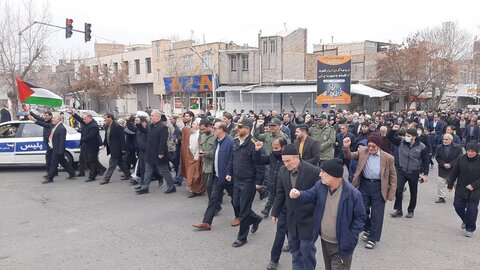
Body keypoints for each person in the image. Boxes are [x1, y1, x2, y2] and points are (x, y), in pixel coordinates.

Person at [290, 158, 365, 270]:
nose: (320, 175)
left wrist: (351, 237)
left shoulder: (353, 194)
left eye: (323, 172)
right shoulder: (320, 186)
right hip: (325, 241)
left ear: (333, 176)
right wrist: (298, 194)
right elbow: (310, 195)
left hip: (342, 244)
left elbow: (360, 218)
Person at [270, 144, 320, 270]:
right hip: (291, 217)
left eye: (288, 160)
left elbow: (319, 196)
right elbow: (280, 192)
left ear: (297, 158)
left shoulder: (313, 171)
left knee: (306, 250)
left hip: (308, 218)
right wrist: (275, 212)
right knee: (295, 250)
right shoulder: (282, 171)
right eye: (284, 161)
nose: (286, 164)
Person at [343, 133, 397, 249]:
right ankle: (367, 228)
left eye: (373, 146)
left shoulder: (388, 158)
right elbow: (350, 156)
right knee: (362, 210)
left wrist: (391, 193)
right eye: (369, 145)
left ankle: (373, 238)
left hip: (379, 187)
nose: (371, 148)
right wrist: (346, 147)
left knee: (377, 214)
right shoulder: (363, 151)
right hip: (364, 185)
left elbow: (393, 176)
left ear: (379, 146)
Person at [192, 121, 240, 230]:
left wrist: (230, 174)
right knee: (213, 199)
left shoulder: (230, 142)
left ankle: (239, 216)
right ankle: (207, 222)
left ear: (222, 130)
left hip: (228, 177)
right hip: (218, 176)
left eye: (215, 128)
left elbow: (233, 160)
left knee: (235, 199)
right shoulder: (217, 141)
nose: (213, 129)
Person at [226, 116, 263, 248]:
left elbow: (259, 165)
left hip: (249, 181)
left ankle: (242, 238)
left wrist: (259, 182)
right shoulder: (236, 141)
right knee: (236, 204)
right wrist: (229, 173)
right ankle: (256, 218)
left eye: (239, 127)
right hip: (237, 179)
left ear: (247, 129)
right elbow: (232, 158)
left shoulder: (254, 143)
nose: (236, 128)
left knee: (244, 210)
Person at [252, 137, 289, 270]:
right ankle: (274, 259)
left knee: (285, 227)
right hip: (275, 191)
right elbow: (259, 161)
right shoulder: (272, 156)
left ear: (284, 148)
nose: (274, 150)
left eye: (277, 148)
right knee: (281, 229)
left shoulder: (290, 160)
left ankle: (290, 244)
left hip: (288, 197)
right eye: (273, 148)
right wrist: (257, 151)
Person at [388, 126, 430, 218]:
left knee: (413, 192)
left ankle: (411, 210)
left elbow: (426, 160)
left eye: (408, 136)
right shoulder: (401, 142)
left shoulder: (422, 147)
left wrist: (425, 174)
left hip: (414, 172)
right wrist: (393, 130)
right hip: (401, 170)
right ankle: (398, 210)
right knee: (398, 190)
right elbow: (389, 138)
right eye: (406, 135)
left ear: (414, 137)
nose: (406, 137)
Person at [135, 110, 176, 194]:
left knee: (164, 171)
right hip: (149, 153)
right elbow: (144, 131)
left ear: (157, 116)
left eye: (152, 115)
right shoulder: (150, 125)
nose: (151, 117)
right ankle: (145, 188)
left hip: (159, 154)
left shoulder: (162, 127)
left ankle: (171, 187)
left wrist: (161, 153)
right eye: (150, 115)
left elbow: (163, 141)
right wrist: (138, 124)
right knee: (148, 171)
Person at [448, 142, 480, 238]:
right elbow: (455, 172)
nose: (470, 153)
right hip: (461, 187)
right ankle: (466, 220)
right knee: (457, 205)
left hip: (475, 190)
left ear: (477, 152)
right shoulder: (460, 158)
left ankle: (470, 228)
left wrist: (474, 185)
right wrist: (450, 184)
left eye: (472, 151)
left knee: (472, 209)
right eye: (468, 151)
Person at [71, 109, 104, 182]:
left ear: (89, 118)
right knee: (88, 161)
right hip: (86, 146)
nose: (83, 120)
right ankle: (95, 171)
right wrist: (74, 115)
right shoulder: (87, 122)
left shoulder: (94, 126)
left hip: (92, 146)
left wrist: (82, 139)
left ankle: (92, 176)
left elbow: (90, 136)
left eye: (85, 119)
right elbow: (81, 120)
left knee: (91, 161)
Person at [42, 115, 76, 184]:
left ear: (59, 119)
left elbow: (62, 141)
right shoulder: (54, 126)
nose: (52, 119)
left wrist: (60, 151)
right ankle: (72, 173)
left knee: (53, 163)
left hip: (57, 149)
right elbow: (45, 125)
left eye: (54, 118)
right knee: (64, 162)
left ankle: (50, 178)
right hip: (53, 147)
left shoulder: (61, 128)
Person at [100, 113, 132, 185]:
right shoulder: (107, 126)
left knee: (112, 163)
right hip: (111, 147)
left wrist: (123, 148)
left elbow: (122, 138)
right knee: (120, 162)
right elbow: (106, 136)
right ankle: (128, 174)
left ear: (110, 118)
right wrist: (104, 144)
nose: (105, 120)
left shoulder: (117, 126)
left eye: (106, 118)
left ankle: (106, 179)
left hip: (117, 148)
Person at [435, 134, 463, 204]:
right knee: (441, 183)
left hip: (454, 168)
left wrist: (451, 164)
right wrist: (443, 164)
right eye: (444, 139)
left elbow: (460, 157)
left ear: (451, 140)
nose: (445, 141)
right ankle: (441, 197)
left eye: (446, 139)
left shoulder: (458, 147)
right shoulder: (439, 147)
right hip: (442, 167)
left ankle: (459, 197)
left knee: (456, 184)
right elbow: (437, 157)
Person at [28, 111, 53, 175]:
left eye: (46, 116)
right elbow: (38, 118)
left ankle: (50, 173)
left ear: (50, 116)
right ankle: (52, 172)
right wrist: (30, 112)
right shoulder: (45, 120)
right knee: (52, 157)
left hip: (50, 142)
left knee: (49, 157)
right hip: (46, 140)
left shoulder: (51, 122)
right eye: (44, 116)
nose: (45, 117)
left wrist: (34, 121)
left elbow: (44, 124)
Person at [198, 118, 216, 199]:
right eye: (201, 129)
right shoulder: (202, 136)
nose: (202, 131)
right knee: (208, 186)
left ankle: (214, 204)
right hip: (206, 165)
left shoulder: (215, 136)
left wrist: (206, 154)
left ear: (209, 126)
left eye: (204, 129)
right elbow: (201, 146)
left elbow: (216, 153)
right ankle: (215, 204)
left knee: (212, 187)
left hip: (214, 165)